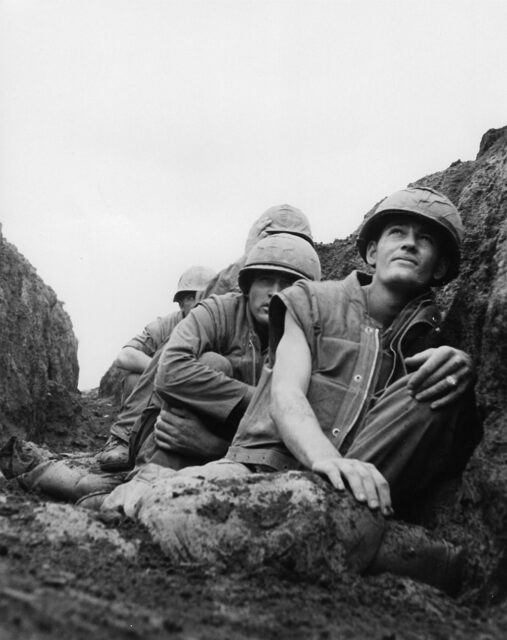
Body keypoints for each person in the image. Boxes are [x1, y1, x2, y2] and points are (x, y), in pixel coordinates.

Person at [223, 186, 481, 514]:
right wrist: (326, 459)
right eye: (398, 232)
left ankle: (336, 514)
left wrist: (460, 364)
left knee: (438, 379)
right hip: (259, 469)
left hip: (350, 491)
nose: (410, 243)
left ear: (441, 267)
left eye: (425, 239)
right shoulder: (312, 300)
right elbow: (287, 394)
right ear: (373, 253)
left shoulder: (431, 336)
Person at [99, 204, 314, 472]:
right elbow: (163, 364)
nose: (274, 291)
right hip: (210, 393)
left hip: (241, 430)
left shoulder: (313, 321)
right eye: (265, 279)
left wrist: (214, 445)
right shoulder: (223, 292)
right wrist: (259, 398)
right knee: (206, 360)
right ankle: (130, 446)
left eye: (287, 283)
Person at [98, 265, 216, 471]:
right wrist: (167, 369)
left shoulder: (223, 322)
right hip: (162, 397)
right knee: (135, 378)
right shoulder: (167, 324)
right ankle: (125, 440)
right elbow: (125, 356)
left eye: (198, 297)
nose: (190, 304)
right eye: (186, 299)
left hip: (203, 400)